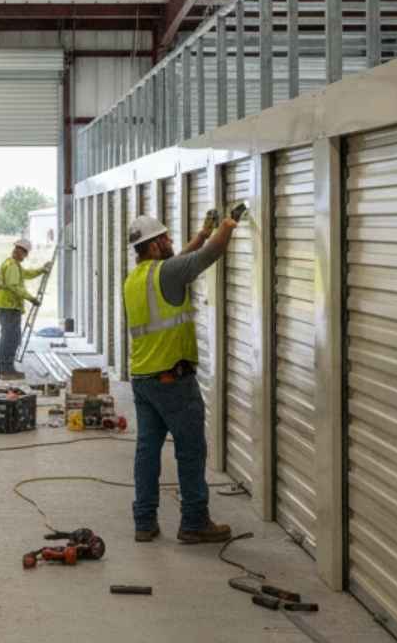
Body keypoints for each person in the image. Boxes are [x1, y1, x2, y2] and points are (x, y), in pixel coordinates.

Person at [123, 203, 245, 545]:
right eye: (164, 238)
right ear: (153, 246)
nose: (170, 241)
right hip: (173, 381)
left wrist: (202, 233)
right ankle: (194, 521)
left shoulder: (135, 278)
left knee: (147, 451)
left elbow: (178, 263)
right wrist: (227, 225)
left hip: (144, 379)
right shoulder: (168, 272)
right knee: (191, 450)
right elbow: (211, 254)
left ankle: (144, 522)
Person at [0, 238, 52, 381]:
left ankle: (6, 368)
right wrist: (31, 298)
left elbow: (26, 274)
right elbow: (14, 287)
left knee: (11, 337)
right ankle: (6, 370)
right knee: (10, 339)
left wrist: (41, 270)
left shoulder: (13, 264)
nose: (21, 254)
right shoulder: (12, 265)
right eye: (21, 251)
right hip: (9, 307)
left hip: (7, 306)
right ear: (21, 252)